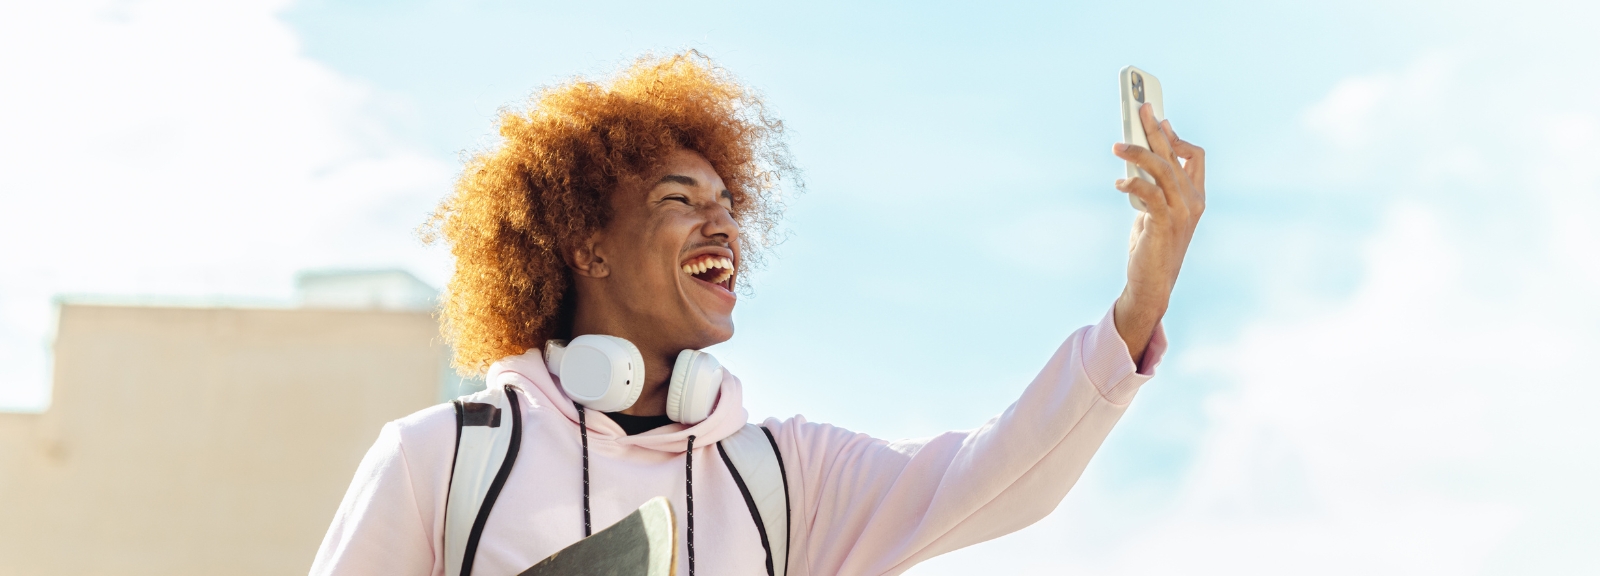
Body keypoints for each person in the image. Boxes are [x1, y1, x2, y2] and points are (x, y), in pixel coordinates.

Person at [311, 51, 1204, 576]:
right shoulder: (440, 458)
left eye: (728, 201)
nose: (722, 221)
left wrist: (1139, 300)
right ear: (587, 245)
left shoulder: (784, 477)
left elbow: (995, 474)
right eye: (678, 197)